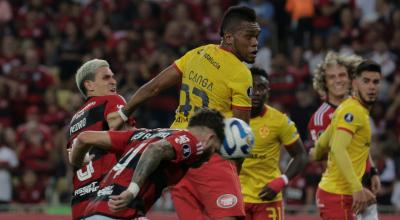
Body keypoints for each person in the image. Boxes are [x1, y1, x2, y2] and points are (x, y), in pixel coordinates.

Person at [107, 5, 260, 219]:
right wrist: (234, 172)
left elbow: (154, 87)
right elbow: (240, 131)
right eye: (249, 36)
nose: (255, 43)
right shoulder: (241, 73)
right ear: (229, 37)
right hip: (209, 155)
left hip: (177, 158)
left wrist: (124, 113)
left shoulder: (197, 53)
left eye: (257, 36)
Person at [68, 108, 225, 219]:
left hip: (92, 211)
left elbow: (83, 138)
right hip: (120, 212)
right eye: (214, 149)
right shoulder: (192, 141)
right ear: (210, 138)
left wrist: (77, 161)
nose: (210, 156)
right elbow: (155, 149)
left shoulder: (142, 134)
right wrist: (132, 190)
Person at [308, 52, 381, 218]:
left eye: (342, 75)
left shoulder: (356, 106)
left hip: (360, 188)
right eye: (331, 77)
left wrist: (372, 170)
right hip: (344, 191)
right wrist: (357, 188)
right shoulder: (321, 116)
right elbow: (329, 158)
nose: (338, 80)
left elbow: (359, 146)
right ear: (324, 83)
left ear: (351, 79)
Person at [240, 67, 308, 220]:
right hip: (236, 198)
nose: (256, 92)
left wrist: (282, 180)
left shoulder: (280, 121)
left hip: (267, 198)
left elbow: (301, 155)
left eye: (261, 87)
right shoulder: (228, 118)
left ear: (268, 91)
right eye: (252, 87)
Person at [67, 59, 130, 220]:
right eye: (106, 77)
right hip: (108, 202)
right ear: (89, 85)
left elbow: (73, 159)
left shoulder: (74, 121)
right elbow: (126, 139)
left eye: (113, 77)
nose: (113, 81)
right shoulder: (112, 100)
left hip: (80, 208)